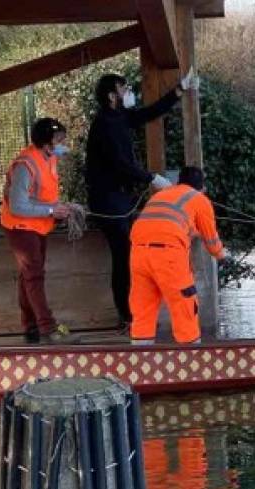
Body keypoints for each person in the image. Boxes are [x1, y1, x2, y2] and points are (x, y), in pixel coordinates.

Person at [85, 70, 200, 334]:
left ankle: (134, 316)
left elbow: (149, 113)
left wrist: (178, 91)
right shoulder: (104, 124)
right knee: (124, 255)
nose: (129, 93)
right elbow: (121, 163)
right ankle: (127, 317)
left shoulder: (120, 117)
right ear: (112, 96)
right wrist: (151, 178)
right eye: (124, 90)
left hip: (121, 197)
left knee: (129, 255)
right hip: (107, 200)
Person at [0, 118, 79, 345]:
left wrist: (60, 207)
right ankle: (48, 328)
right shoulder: (25, 165)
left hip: (38, 224)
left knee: (29, 276)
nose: (63, 142)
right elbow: (17, 206)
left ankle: (31, 328)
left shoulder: (48, 157)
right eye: (58, 139)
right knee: (34, 276)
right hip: (21, 227)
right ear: (46, 143)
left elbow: (44, 194)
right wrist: (52, 210)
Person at [129, 166, 228, 345]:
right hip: (168, 256)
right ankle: (191, 356)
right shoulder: (200, 200)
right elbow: (211, 240)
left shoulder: (160, 196)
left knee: (143, 307)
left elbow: (168, 223)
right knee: (185, 305)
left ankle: (140, 356)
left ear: (179, 181)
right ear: (202, 188)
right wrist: (222, 256)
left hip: (138, 253)